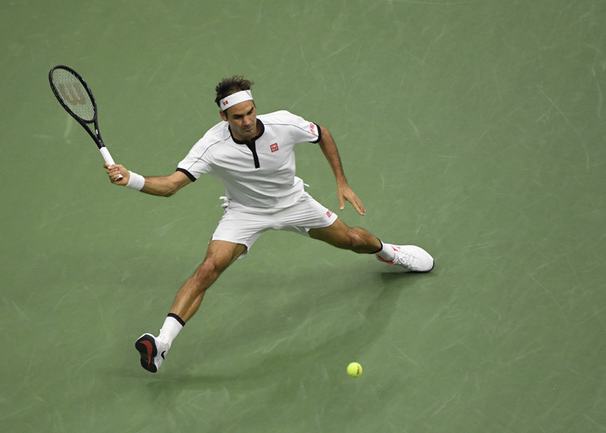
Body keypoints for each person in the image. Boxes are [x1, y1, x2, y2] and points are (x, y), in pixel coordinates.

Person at [105, 76, 434, 373]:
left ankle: (390, 252)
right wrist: (131, 179)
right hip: (244, 212)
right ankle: (162, 343)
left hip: (293, 202)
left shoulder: (283, 124)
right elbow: (171, 186)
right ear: (224, 117)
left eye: (250, 112)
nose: (247, 121)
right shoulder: (210, 146)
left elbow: (323, 134)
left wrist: (341, 181)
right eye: (238, 117)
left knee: (350, 239)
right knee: (208, 269)